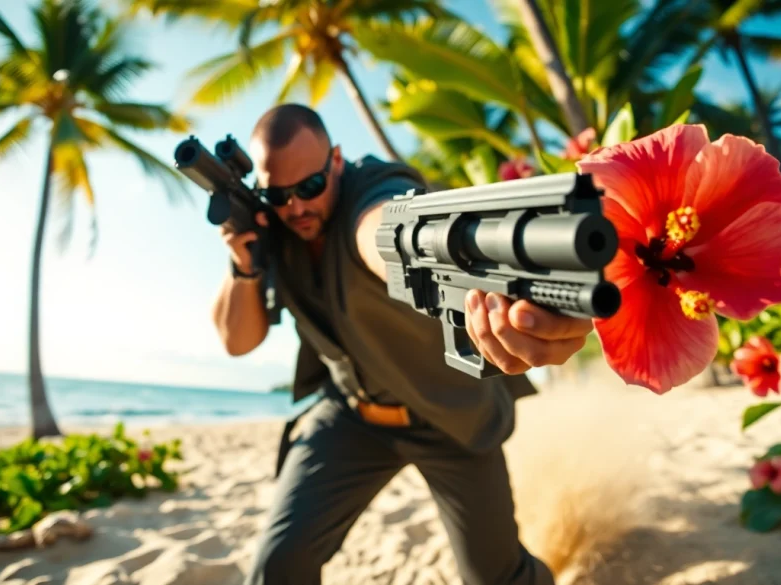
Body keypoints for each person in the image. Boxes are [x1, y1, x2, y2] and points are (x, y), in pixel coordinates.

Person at [211, 103, 593, 585]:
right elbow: (237, 342)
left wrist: (445, 260)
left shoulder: (372, 187)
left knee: (497, 577)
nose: (296, 208)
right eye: (278, 195)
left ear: (335, 161)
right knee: (278, 568)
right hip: (350, 415)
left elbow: (380, 226)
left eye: (309, 188)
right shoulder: (275, 227)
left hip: (449, 413)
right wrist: (244, 267)